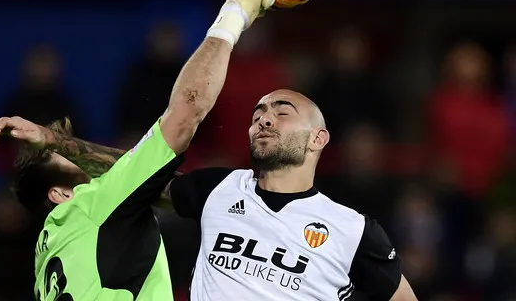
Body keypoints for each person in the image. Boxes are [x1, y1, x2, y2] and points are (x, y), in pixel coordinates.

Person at [0, 0, 277, 301]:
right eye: (68, 159)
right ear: (61, 193)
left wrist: (53, 141)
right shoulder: (92, 205)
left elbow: (128, 171)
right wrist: (234, 14)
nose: (84, 158)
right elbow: (186, 111)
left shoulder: (49, 258)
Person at [167, 89, 418, 300]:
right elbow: (137, 179)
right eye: (257, 116)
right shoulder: (219, 187)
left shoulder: (352, 230)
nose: (264, 120)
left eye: (282, 113)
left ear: (318, 139)